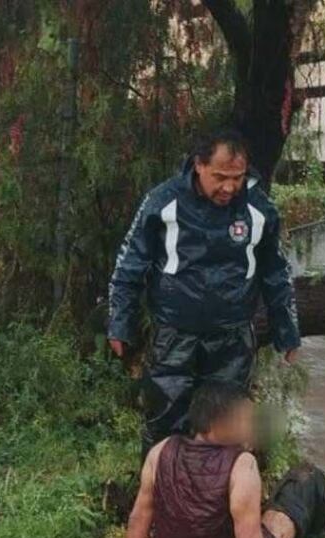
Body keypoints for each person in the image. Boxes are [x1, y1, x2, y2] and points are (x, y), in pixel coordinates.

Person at [107, 129, 301, 458]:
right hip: (174, 335)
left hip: (232, 338)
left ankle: (215, 501)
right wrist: (119, 324)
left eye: (237, 178)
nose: (229, 187)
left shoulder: (258, 207)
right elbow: (130, 264)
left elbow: (276, 273)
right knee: (164, 419)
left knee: (224, 427)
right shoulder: (163, 201)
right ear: (199, 165)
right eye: (220, 177)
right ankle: (160, 495)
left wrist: (288, 332)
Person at [124, 382, 325, 538]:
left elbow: (140, 515)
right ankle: (320, 529)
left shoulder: (160, 450)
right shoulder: (243, 465)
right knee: (306, 479)